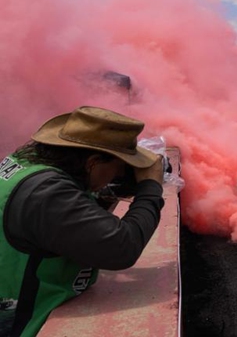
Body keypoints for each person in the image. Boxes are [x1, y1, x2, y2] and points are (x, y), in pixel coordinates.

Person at [0, 106, 164, 337]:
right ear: (92, 162)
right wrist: (151, 187)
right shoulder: (48, 192)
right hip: (21, 322)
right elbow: (121, 248)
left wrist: (104, 193)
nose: (118, 176)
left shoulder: (26, 166)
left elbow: (59, 222)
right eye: (117, 169)